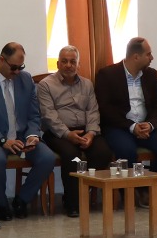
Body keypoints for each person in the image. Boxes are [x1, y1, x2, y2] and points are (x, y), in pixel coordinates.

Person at [0, 42, 57, 220]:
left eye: (20, 67)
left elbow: (34, 114)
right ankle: (2, 204)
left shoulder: (26, 79)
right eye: (14, 67)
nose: (17, 72)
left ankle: (21, 200)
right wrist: (2, 140)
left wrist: (32, 135)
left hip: (22, 136)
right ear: (2, 60)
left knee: (48, 158)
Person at [37, 45, 114, 217]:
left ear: (78, 65)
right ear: (57, 64)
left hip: (85, 131)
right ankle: (72, 203)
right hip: (57, 133)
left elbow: (93, 111)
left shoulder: (87, 84)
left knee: (103, 152)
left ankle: (82, 191)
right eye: (64, 61)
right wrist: (67, 134)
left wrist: (91, 133)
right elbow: (49, 115)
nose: (68, 65)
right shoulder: (45, 85)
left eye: (73, 62)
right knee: (73, 156)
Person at [96, 37, 157, 181]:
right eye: (148, 54)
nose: (152, 58)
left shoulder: (150, 74)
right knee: (126, 152)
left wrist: (150, 124)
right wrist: (132, 126)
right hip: (119, 127)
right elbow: (105, 109)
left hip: (146, 127)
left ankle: (147, 186)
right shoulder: (107, 75)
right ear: (136, 57)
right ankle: (129, 190)